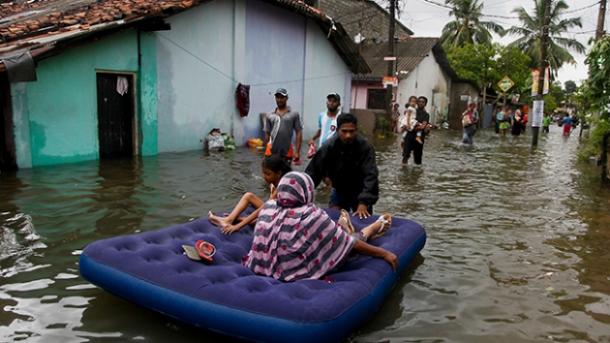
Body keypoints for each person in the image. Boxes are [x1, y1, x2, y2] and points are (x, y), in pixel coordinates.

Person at [242, 172, 397, 282]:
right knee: (346, 243)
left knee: (333, 237)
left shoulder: (269, 207)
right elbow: (350, 244)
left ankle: (342, 227)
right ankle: (371, 228)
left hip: (261, 267)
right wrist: (384, 254)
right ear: (307, 191)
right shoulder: (312, 214)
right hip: (295, 271)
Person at [305, 113, 379, 219]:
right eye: (344, 131)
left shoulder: (365, 147)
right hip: (339, 190)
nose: (348, 135)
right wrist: (302, 197)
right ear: (337, 130)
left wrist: (364, 202)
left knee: (363, 222)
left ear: (356, 130)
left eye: (351, 131)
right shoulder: (328, 147)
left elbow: (371, 175)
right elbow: (313, 172)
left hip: (361, 191)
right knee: (333, 221)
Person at [208, 155, 291, 234]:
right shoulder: (274, 182)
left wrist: (237, 227)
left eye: (268, 174)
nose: (264, 176)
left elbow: (263, 208)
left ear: (278, 173)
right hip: (275, 209)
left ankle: (236, 220)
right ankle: (229, 220)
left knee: (257, 221)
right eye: (263, 173)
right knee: (249, 196)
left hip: (283, 217)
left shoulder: (282, 186)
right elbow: (268, 205)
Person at [264, 88, 303, 164]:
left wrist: (297, 152)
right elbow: (267, 135)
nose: (279, 99)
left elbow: (298, 132)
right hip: (271, 151)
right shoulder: (270, 115)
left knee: (285, 174)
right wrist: (266, 151)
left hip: (287, 151)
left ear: (287, 98)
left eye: (282, 97)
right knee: (271, 174)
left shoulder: (294, 115)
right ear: (275, 98)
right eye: (278, 97)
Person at [402, 96, 431, 165]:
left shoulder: (426, 115)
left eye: (423, 102)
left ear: (425, 104)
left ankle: (417, 173)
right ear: (417, 102)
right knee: (405, 154)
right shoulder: (412, 110)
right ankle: (404, 169)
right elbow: (406, 120)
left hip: (419, 137)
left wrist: (413, 128)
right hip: (409, 136)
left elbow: (423, 126)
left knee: (417, 158)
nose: (421, 103)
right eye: (419, 101)